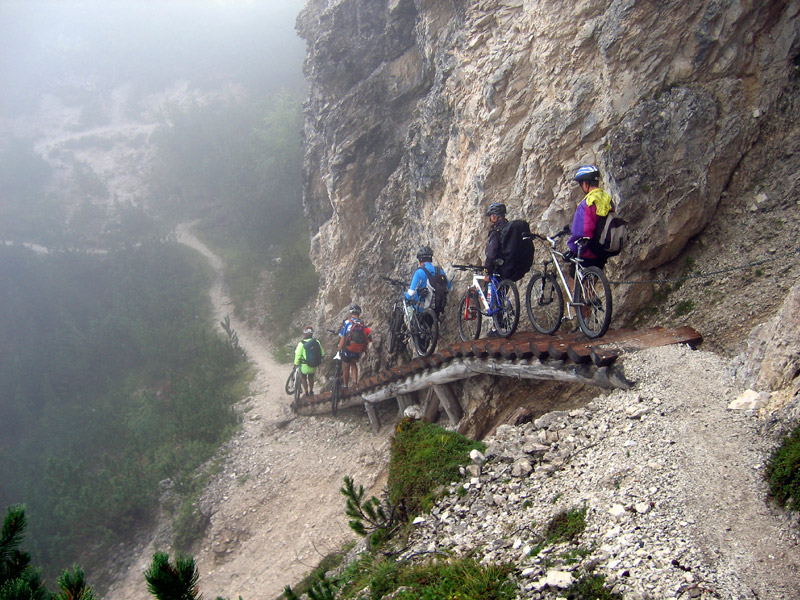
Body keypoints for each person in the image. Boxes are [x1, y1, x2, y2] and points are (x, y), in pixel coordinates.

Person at [567, 165, 614, 271]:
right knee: (590, 284)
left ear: (585, 184)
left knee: (573, 274)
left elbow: (583, 232)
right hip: (604, 251)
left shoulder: (587, 204)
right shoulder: (607, 199)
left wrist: (572, 248)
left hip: (589, 253)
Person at [483, 203, 508, 337]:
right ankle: (500, 325)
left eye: (491, 215)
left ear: (494, 216)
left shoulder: (496, 231)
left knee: (494, 295)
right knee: (502, 296)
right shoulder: (508, 227)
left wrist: (488, 271)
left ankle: (496, 328)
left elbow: (491, 253)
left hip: (499, 267)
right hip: (510, 266)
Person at [405, 245, 453, 314]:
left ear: (420, 260)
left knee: (408, 303)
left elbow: (411, 292)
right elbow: (450, 288)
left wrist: (406, 297)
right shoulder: (440, 271)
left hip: (422, 308)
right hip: (438, 308)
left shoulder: (419, 272)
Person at [338, 304, 372, 389]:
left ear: (351, 312)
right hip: (358, 349)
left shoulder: (347, 322)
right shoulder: (363, 324)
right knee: (354, 364)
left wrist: (339, 349)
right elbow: (369, 338)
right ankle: (355, 383)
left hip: (348, 348)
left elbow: (343, 337)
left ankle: (345, 386)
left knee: (346, 366)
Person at [294, 325, 323, 396]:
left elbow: (298, 355)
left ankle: (306, 392)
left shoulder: (301, 344)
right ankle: (311, 391)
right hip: (313, 364)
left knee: (303, 377)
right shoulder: (317, 342)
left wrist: (296, 363)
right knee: (311, 377)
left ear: (305, 334)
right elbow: (322, 353)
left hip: (304, 365)